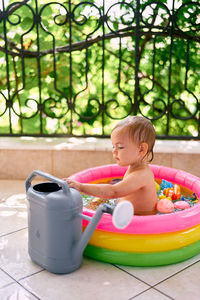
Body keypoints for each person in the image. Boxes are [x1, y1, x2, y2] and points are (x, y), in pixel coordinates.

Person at [64, 116, 157, 215]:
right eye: (113, 146)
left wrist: (81, 187)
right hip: (126, 214)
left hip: (139, 221)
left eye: (120, 147)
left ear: (141, 149)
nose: (114, 151)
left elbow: (114, 192)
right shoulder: (135, 167)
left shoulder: (141, 175)